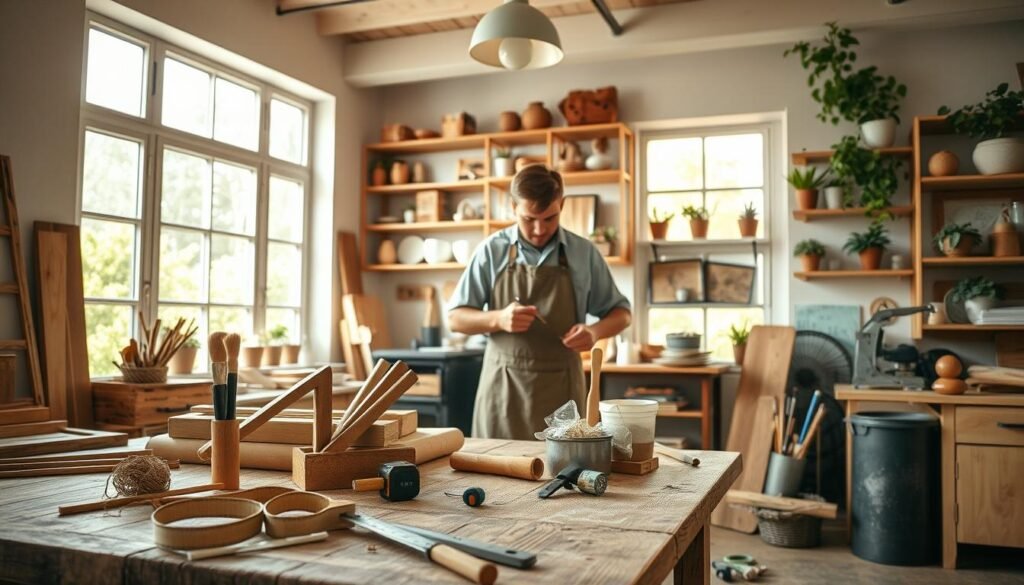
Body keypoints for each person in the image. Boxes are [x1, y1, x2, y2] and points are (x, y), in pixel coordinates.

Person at [447, 164, 632, 440]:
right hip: (503, 392)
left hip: (563, 392)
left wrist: (594, 332)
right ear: (512, 207)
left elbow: (622, 313)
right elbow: (455, 319)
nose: (538, 229)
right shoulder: (492, 250)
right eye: (529, 218)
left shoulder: (583, 253)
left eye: (549, 218)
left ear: (563, 205)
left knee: (566, 474)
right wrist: (497, 319)